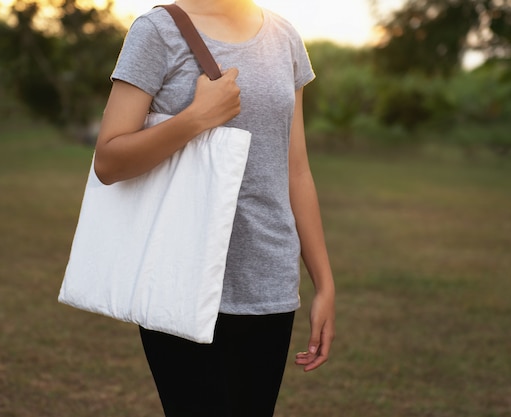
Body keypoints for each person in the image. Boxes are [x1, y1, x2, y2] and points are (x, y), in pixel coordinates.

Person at [93, 1, 335, 416]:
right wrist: (195, 118)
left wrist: (324, 284)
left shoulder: (284, 37)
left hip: (269, 285)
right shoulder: (156, 31)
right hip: (179, 280)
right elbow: (109, 161)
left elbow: (296, 171)